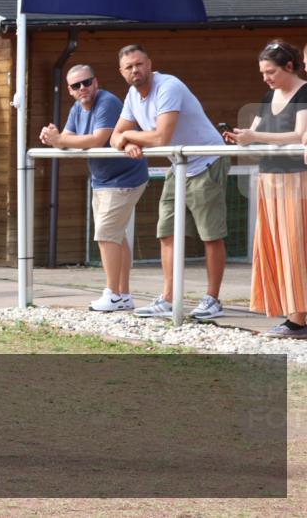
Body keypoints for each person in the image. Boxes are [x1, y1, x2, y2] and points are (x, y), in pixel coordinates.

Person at [111, 44, 229, 320]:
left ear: (149, 64)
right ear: (122, 72)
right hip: (179, 165)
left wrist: (130, 136)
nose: (135, 70)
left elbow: (160, 137)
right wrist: (126, 142)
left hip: (206, 160)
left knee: (211, 234)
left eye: (139, 64)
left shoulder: (168, 86)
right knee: (166, 231)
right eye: (129, 67)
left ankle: (213, 299)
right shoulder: (132, 95)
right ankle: (168, 298)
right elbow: (115, 136)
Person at [40, 65, 149, 312]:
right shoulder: (76, 108)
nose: (83, 88)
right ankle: (123, 295)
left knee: (106, 233)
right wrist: (54, 138)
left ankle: (112, 294)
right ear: (70, 90)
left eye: (86, 82)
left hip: (125, 177)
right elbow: (67, 140)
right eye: (76, 85)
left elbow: (97, 139)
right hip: (102, 179)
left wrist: (60, 140)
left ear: (96, 82)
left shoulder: (107, 102)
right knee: (116, 236)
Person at [224, 41, 307, 338]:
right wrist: (241, 137)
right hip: (269, 178)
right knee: (274, 246)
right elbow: (256, 134)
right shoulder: (269, 95)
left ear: (289, 67)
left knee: (294, 246)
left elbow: (299, 135)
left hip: (296, 179)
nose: (266, 78)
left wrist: (255, 135)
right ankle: (290, 312)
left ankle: (298, 318)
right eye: (262, 73)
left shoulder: (304, 94)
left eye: (270, 72)